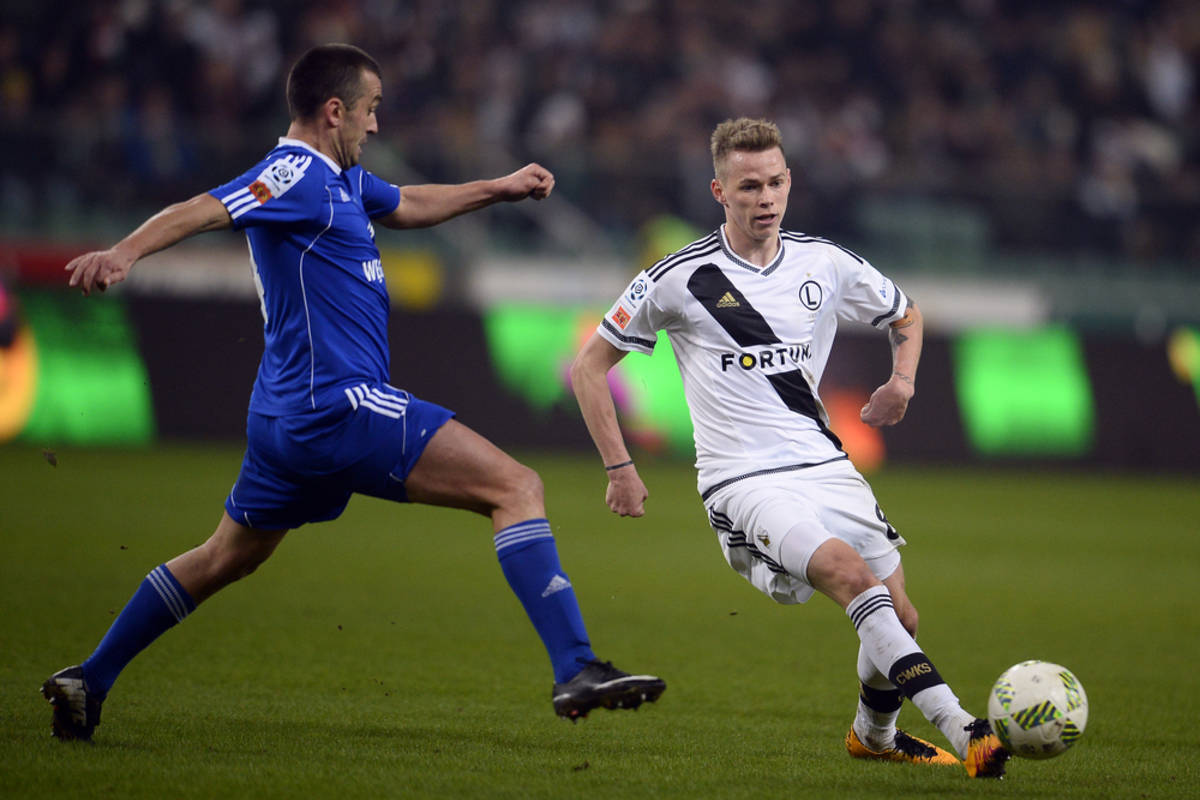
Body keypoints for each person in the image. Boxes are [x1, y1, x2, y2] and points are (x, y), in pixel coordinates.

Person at [42, 43, 664, 742]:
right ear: (334, 111)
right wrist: (123, 252)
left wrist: (498, 187)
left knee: (226, 556)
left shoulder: (343, 179)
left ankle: (90, 679)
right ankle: (576, 666)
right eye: (370, 109)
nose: (376, 124)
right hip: (335, 405)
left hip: (283, 416)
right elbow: (207, 207)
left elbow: (408, 204)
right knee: (516, 487)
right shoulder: (295, 173)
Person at [570, 117, 1008, 778]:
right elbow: (588, 368)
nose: (765, 198)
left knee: (901, 616)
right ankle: (966, 726)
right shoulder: (678, 277)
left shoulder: (822, 262)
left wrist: (902, 382)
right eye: (749, 186)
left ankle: (875, 736)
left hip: (825, 463)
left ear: (790, 182)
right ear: (719, 191)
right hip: (743, 480)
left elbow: (905, 314)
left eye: (775, 182)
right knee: (851, 579)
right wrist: (619, 468)